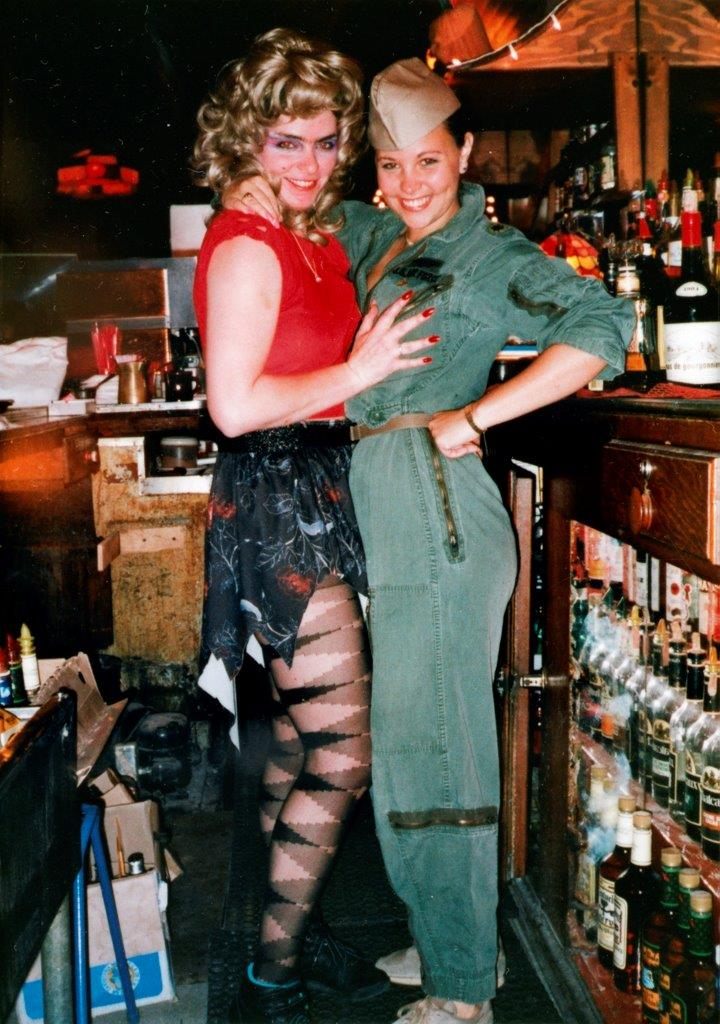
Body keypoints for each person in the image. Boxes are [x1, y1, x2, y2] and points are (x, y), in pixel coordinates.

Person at [227, 56, 634, 1024]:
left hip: (434, 500)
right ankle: (457, 936)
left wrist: (478, 418)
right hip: (362, 498)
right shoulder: (367, 231)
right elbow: (274, 195)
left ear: (464, 156)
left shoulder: (492, 253)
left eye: (429, 162)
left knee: (432, 743)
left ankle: (461, 986)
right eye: (390, 163)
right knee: (408, 740)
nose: (409, 183)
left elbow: (603, 322)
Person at [191, 31, 439, 1024]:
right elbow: (236, 407)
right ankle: (273, 969)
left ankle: (298, 926)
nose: (310, 164)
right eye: (287, 143)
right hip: (277, 502)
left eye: (328, 142)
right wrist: (359, 375)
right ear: (248, 139)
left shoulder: (311, 230)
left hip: (318, 489)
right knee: (343, 751)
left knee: (298, 742)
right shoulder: (248, 240)